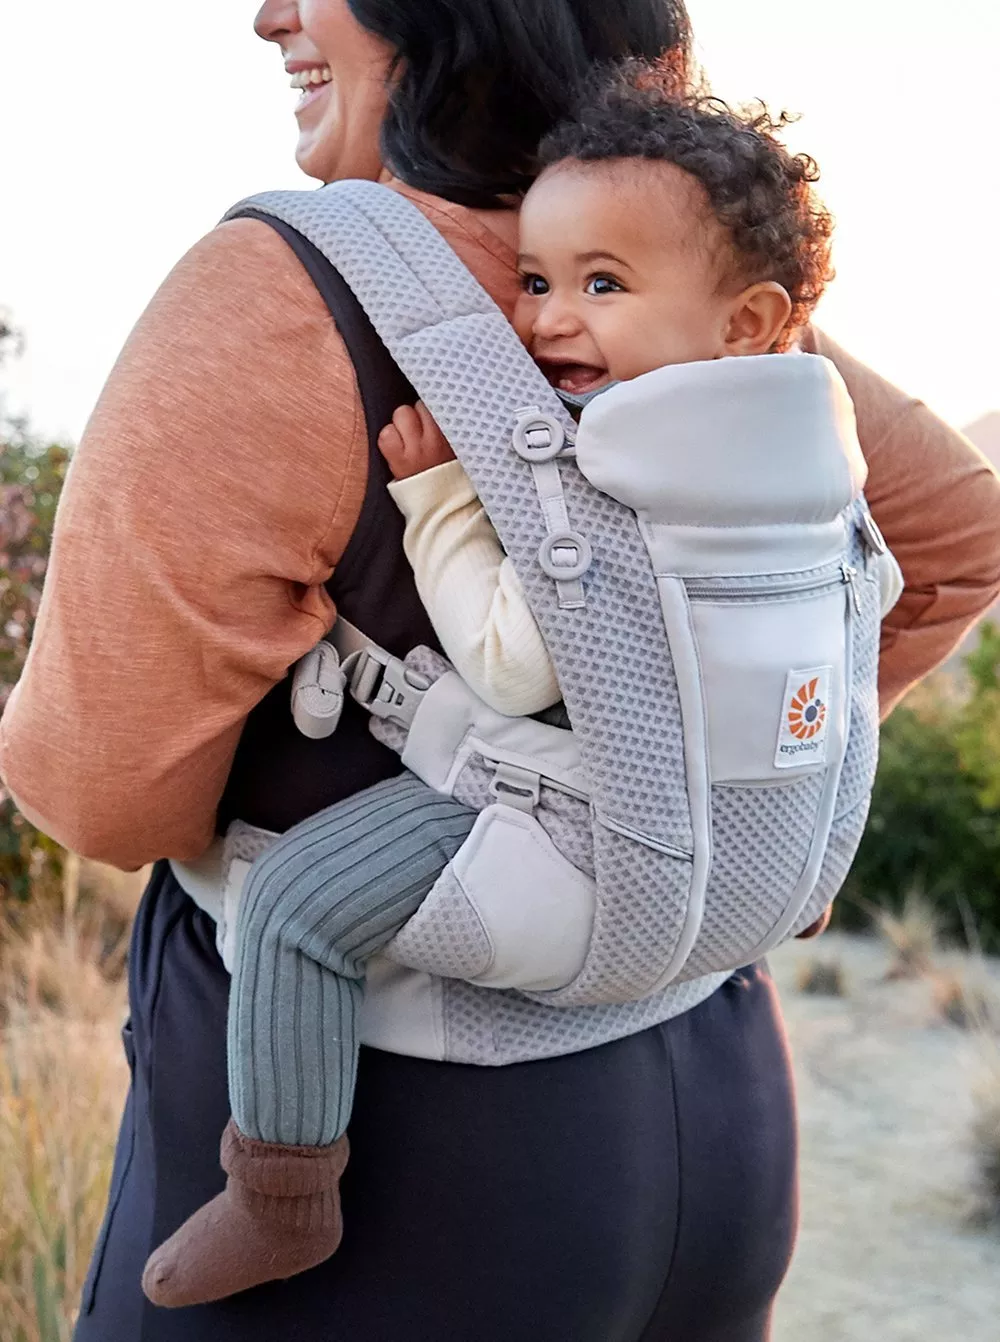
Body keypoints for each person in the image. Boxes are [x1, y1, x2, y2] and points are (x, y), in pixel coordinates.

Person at [1, 2, 998, 1338]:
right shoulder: (680, 297)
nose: (269, 14)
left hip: (415, 1164)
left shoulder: (280, 291)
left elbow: (101, 792)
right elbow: (955, 537)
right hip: (722, 1110)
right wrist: (735, 801)